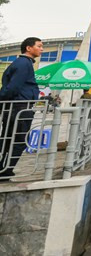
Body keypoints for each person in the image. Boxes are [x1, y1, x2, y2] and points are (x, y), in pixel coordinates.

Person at [0, 37, 43, 178]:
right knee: (19, 140)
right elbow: (13, 87)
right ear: (28, 48)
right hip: (20, 107)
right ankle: (6, 171)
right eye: (39, 46)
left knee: (9, 139)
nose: (42, 49)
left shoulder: (22, 63)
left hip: (16, 107)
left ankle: (3, 168)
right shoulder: (24, 64)